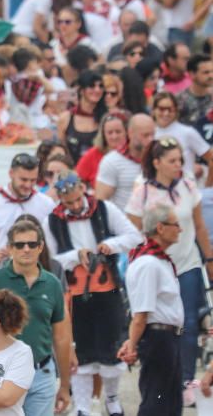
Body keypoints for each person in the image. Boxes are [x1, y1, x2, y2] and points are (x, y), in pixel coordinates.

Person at [44, 171, 142, 416]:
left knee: (111, 348)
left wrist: (110, 245)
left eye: (78, 199)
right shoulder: (52, 221)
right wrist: (75, 256)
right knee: (81, 349)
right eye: (69, 203)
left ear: (83, 190)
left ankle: (111, 398)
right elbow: (50, 259)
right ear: (60, 200)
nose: (76, 206)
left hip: (106, 288)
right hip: (75, 293)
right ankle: (84, 407)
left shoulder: (104, 209)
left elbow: (134, 236)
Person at [125, 136, 213, 399]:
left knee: (187, 321)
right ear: (157, 162)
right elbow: (132, 230)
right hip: (157, 266)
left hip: (187, 262)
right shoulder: (142, 189)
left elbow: (198, 226)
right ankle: (153, 373)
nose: (178, 165)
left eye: (180, 160)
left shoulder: (187, 184)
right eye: (172, 160)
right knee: (153, 320)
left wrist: (209, 260)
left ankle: (186, 378)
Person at [0, 220, 71, 416]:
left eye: (32, 244)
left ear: (40, 247)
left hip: (41, 372)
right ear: (10, 248)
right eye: (19, 245)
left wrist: (65, 386)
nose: (26, 249)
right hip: (3, 373)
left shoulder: (52, 283)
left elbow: (61, 337)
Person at [117, 204, 184, 415]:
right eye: (175, 224)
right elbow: (142, 313)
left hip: (168, 338)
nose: (180, 229)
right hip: (158, 338)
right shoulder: (148, 263)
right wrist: (133, 344)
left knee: (171, 402)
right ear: (160, 228)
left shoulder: (159, 261)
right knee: (156, 400)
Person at [0, 154, 55, 268]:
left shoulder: (46, 204)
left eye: (33, 180)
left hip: (34, 274)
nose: (28, 185)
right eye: (23, 179)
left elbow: (51, 244)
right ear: (11, 174)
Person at [95, 113, 154, 210]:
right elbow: (101, 201)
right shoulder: (112, 161)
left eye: (152, 134)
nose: (150, 139)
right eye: (145, 135)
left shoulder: (158, 158)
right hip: (125, 221)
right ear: (130, 133)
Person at [152, 91, 213, 184]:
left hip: (186, 190)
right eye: (161, 109)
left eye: (170, 109)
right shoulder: (150, 132)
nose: (166, 113)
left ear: (176, 111)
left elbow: (211, 158)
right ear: (154, 110)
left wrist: (208, 187)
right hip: (157, 190)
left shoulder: (187, 132)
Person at [56, 70, 105, 163]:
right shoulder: (65, 118)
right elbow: (61, 151)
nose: (97, 90)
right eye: (92, 86)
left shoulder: (106, 118)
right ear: (82, 90)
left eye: (100, 86)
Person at [74, 111, 127, 188]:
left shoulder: (135, 153)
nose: (114, 136)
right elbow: (76, 178)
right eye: (110, 133)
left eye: (118, 132)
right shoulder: (93, 154)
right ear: (103, 135)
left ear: (126, 132)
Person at [177, 53, 213, 142]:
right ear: (192, 74)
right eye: (206, 72)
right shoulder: (179, 99)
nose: (211, 76)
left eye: (212, 71)